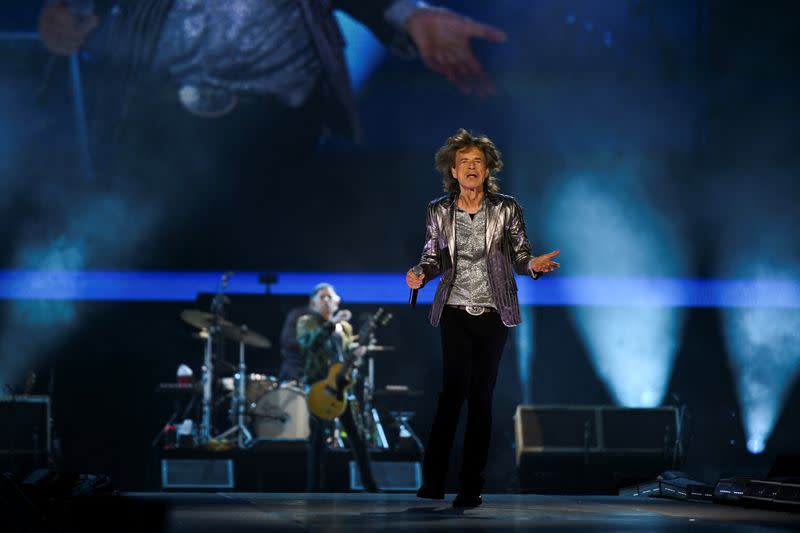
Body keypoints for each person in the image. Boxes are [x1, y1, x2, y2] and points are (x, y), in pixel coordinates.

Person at [36, 1, 509, 270]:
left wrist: (412, 16)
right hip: (162, 128)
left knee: (268, 281)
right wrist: (66, 14)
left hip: (275, 129)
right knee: (154, 284)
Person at [405, 128, 560, 508]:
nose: (471, 168)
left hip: (493, 313)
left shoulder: (507, 208)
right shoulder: (438, 210)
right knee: (451, 395)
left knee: (481, 398)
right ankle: (434, 480)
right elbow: (433, 255)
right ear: (453, 172)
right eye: (464, 163)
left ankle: (471, 486)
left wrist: (534, 266)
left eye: (478, 161)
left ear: (488, 168)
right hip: (454, 310)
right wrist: (420, 273)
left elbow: (521, 255)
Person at [281, 283, 378, 492]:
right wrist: (330, 324)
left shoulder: (345, 329)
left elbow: (343, 356)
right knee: (318, 439)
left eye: (330, 297)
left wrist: (357, 353)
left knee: (357, 437)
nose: (326, 301)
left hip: (342, 388)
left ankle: (371, 486)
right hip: (318, 386)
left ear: (337, 301)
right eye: (322, 297)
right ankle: (314, 488)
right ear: (313, 302)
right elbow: (309, 345)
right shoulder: (306, 322)